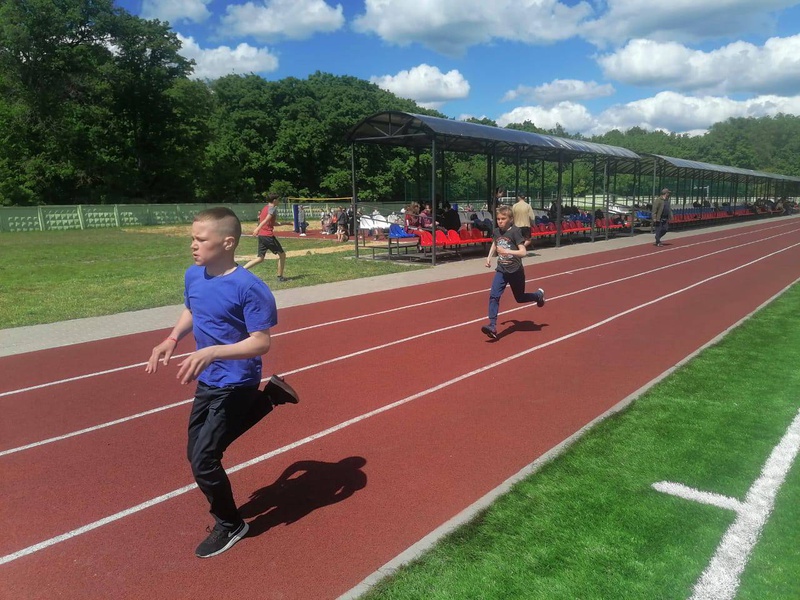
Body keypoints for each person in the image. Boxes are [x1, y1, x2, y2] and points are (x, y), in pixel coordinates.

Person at [145, 207, 298, 558]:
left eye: (200, 239)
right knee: (196, 453)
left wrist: (213, 351)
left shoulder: (249, 287)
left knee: (204, 460)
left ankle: (231, 524)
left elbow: (261, 342)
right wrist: (171, 340)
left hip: (237, 379)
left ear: (227, 242)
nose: (193, 245)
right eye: (192, 239)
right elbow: (192, 310)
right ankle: (271, 397)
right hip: (209, 380)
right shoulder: (194, 275)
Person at [481, 205, 545, 340]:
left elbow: (523, 252)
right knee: (494, 296)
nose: (500, 221)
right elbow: (495, 243)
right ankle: (492, 325)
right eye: (498, 219)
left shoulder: (515, 232)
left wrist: (507, 251)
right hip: (502, 270)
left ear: (510, 219)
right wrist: (489, 257)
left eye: (503, 219)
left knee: (519, 298)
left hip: (515, 271)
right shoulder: (497, 231)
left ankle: (538, 296)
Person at [243, 193, 287, 282]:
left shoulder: (265, 208)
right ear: (274, 200)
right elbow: (266, 220)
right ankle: (280, 277)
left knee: (260, 258)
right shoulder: (272, 208)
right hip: (268, 236)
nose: (279, 201)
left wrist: (286, 223)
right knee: (282, 255)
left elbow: (271, 223)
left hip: (262, 236)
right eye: (278, 200)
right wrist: (257, 228)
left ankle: (241, 270)